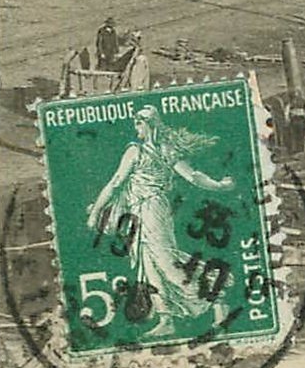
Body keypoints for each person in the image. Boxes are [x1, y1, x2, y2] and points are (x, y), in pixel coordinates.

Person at [84, 107, 234, 338]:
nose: (137, 129)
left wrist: (219, 186)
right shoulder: (150, 150)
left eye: (139, 124)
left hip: (152, 209)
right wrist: (219, 185)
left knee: (165, 262)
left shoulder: (149, 151)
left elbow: (191, 176)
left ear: (150, 124)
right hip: (139, 212)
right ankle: (166, 319)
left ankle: (217, 299)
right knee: (148, 265)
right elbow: (117, 182)